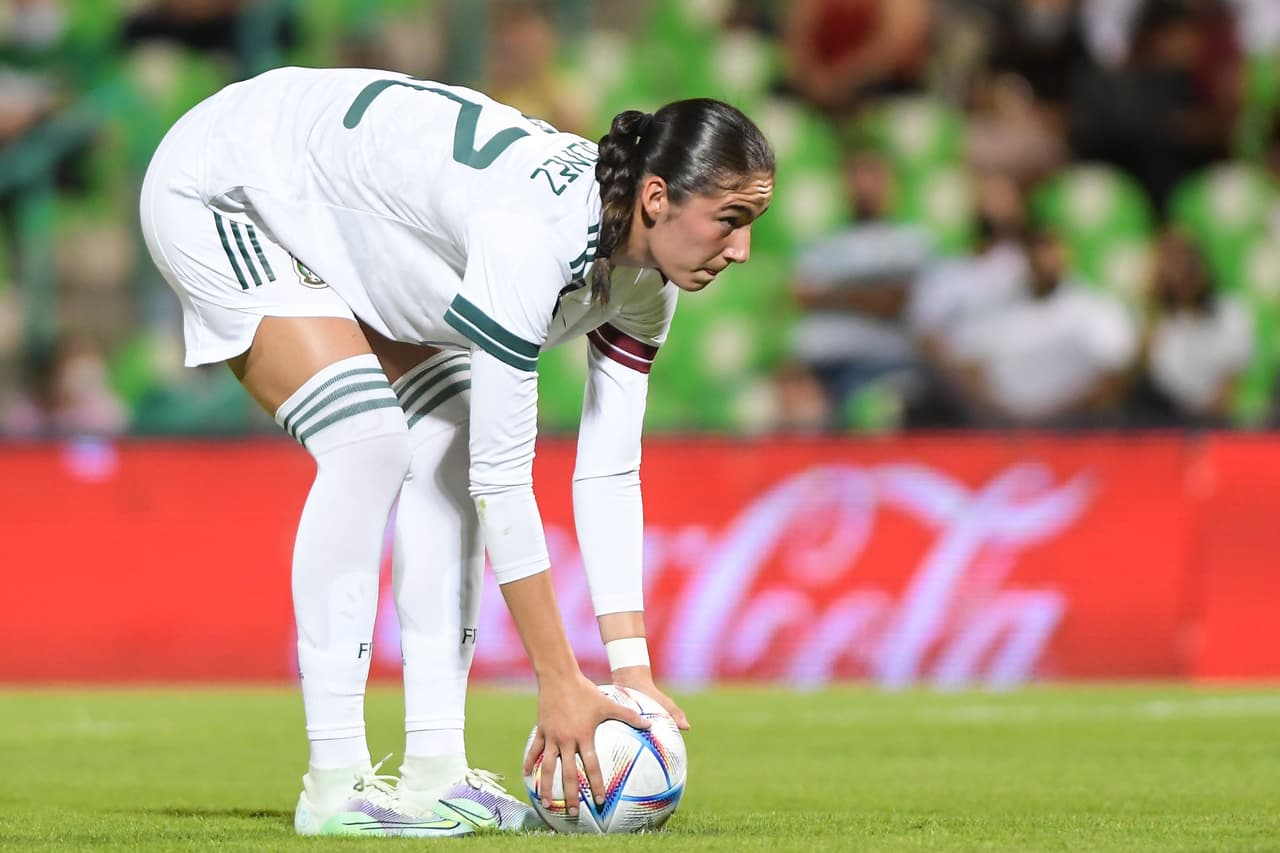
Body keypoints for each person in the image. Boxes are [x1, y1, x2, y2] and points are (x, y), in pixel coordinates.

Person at [139, 66, 775, 836]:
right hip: (228, 183)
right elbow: (501, 485)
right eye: (730, 218)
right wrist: (558, 679)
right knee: (367, 440)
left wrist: (630, 670)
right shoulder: (535, 238)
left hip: (359, 219)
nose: (741, 249)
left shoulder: (647, 281)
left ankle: (434, 771)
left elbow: (609, 471)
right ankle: (333, 785)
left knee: (454, 428)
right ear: (656, 197)